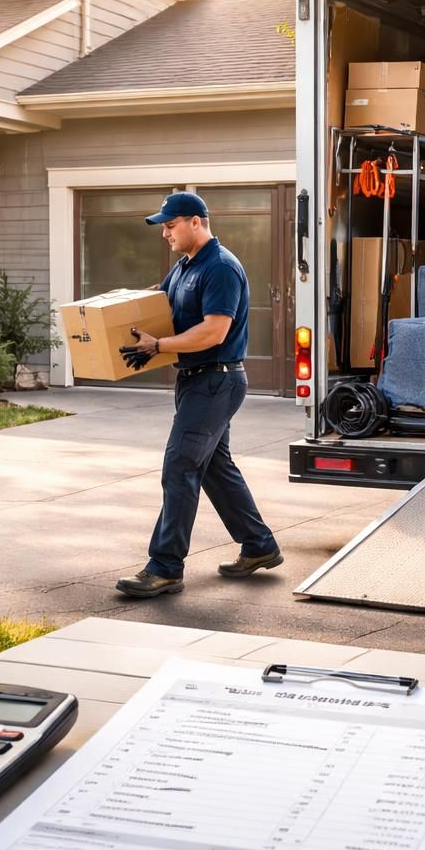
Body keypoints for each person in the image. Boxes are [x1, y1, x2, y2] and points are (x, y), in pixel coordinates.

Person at [114, 191, 282, 599]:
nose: (166, 234)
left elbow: (214, 331)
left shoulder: (220, 267)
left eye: (170, 226)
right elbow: (159, 301)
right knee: (212, 468)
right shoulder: (185, 267)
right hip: (195, 381)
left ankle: (165, 568)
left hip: (216, 382)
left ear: (195, 222)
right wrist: (119, 310)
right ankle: (259, 546)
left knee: (180, 467)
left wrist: (159, 345)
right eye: (164, 228)